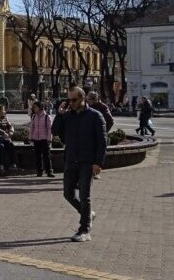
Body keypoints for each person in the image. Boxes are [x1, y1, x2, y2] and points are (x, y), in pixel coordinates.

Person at [53, 87, 107, 242]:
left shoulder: (95, 116)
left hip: (87, 162)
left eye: (74, 100)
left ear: (83, 98)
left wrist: (98, 163)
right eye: (69, 100)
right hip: (71, 160)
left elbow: (102, 142)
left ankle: (84, 230)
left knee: (84, 195)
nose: (71, 103)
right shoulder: (68, 116)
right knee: (68, 194)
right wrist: (60, 114)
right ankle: (88, 214)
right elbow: (55, 131)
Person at [29, 101, 54, 178]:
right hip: (36, 139)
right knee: (38, 156)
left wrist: (49, 139)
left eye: (35, 107)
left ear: (40, 107)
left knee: (46, 156)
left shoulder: (47, 117)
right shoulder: (34, 116)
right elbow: (32, 128)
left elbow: (50, 129)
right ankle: (39, 171)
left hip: (44, 139)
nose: (34, 108)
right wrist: (30, 138)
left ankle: (49, 171)